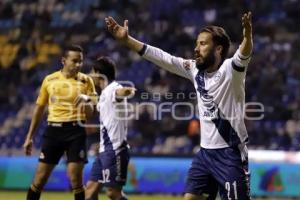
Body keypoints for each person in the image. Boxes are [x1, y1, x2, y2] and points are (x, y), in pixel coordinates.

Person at [105, 11, 253, 200]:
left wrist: (247, 36)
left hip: (230, 153)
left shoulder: (231, 71)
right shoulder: (194, 70)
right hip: (205, 153)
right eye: (196, 43)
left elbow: (244, 53)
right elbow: (164, 58)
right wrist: (128, 41)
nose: (196, 48)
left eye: (203, 43)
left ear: (218, 49)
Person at [23, 45, 97, 200]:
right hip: (54, 131)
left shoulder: (87, 81)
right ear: (64, 61)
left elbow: (90, 114)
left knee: (75, 179)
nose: (78, 65)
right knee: (40, 179)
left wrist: (87, 100)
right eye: (74, 61)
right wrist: (29, 137)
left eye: (81, 61)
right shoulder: (49, 80)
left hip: (76, 131)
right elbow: (39, 109)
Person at [85, 56, 135, 200]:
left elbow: (119, 93)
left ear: (99, 73)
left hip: (115, 150)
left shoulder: (114, 88)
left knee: (113, 193)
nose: (89, 75)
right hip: (103, 151)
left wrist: (127, 91)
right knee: (89, 193)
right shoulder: (104, 94)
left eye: (91, 72)